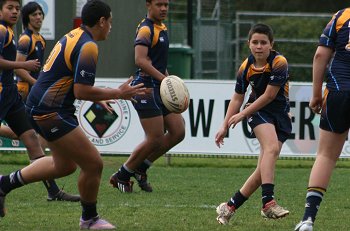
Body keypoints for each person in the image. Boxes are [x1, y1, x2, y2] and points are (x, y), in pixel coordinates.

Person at [0, 0, 146, 229]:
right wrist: (118, 92)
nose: (111, 27)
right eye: (110, 22)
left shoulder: (75, 34)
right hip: (50, 110)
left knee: (64, 166)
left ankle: (4, 184)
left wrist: (104, 95)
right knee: (93, 164)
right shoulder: (88, 46)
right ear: (101, 21)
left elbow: (72, 81)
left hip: (44, 106)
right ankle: (89, 219)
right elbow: (81, 90)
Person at [0, 1, 79, 202]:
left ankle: (52, 191)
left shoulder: (29, 37)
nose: (15, 11)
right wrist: (27, 70)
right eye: (10, 8)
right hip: (12, 91)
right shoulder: (10, 33)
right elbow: (19, 68)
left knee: (33, 140)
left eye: (17, 8)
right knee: (37, 136)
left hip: (12, 96)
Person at [214, 23, 291, 225]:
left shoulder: (279, 62)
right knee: (271, 148)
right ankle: (268, 203)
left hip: (279, 115)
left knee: (261, 172)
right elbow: (238, 97)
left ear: (271, 45)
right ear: (249, 44)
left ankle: (229, 206)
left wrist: (241, 115)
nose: (259, 46)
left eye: (263, 42)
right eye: (255, 42)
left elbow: (270, 95)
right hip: (257, 112)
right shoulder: (246, 67)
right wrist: (225, 124)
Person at [109, 0, 185, 193]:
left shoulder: (162, 27)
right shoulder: (145, 29)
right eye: (159, 4)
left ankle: (141, 168)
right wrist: (165, 81)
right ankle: (123, 174)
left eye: (167, 4)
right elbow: (140, 60)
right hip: (145, 87)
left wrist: (172, 85)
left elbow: (158, 63)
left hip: (159, 86)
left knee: (178, 131)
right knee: (156, 138)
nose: (164, 8)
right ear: (148, 5)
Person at [294, 8, 350, 231]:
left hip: (337, 92)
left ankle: (308, 219)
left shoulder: (341, 16)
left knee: (326, 156)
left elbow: (320, 55)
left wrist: (316, 94)